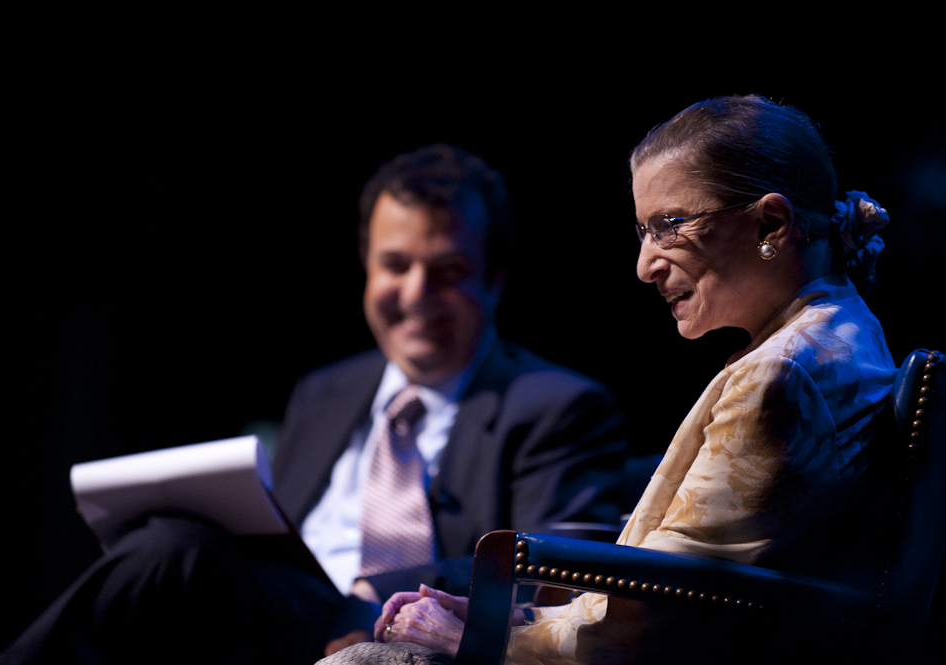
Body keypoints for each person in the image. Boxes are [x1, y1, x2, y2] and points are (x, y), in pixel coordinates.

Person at [0, 145, 627, 664]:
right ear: (366, 267)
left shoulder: (557, 405)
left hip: (387, 614)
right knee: (170, 544)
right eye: (395, 265)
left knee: (173, 555)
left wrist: (372, 589)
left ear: (493, 278)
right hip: (282, 613)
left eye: (448, 271)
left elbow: (557, 559)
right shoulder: (325, 391)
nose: (416, 294)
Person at [326, 96, 897, 664]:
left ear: (770, 223)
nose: (645, 264)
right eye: (643, 230)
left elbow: (668, 611)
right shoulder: (838, 334)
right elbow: (671, 591)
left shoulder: (784, 373)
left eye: (669, 226)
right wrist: (500, 613)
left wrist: (479, 638)